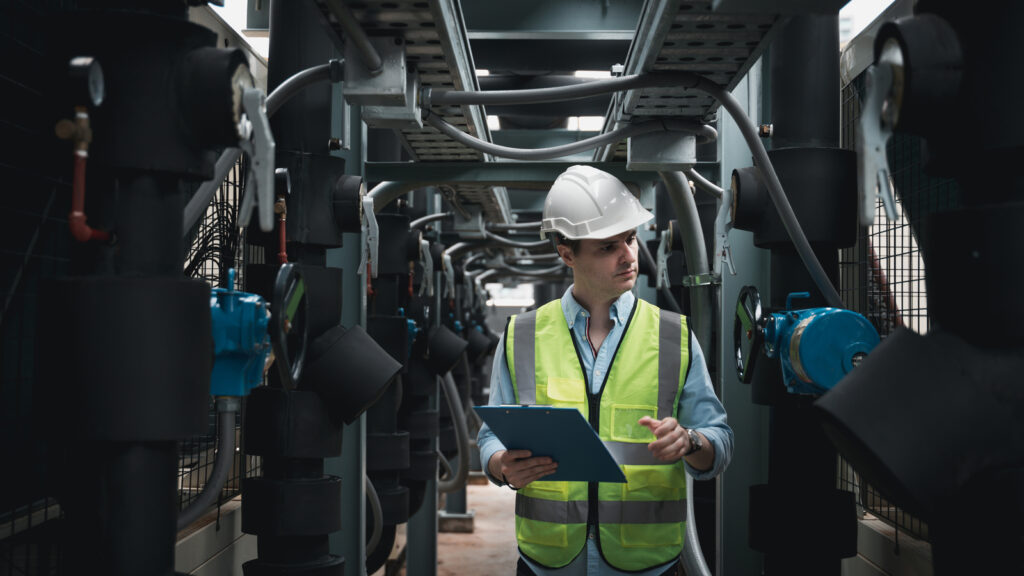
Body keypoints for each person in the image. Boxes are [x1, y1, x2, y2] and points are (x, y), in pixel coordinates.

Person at [477, 165, 734, 576]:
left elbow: (719, 444)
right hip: (548, 562)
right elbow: (492, 437)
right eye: (608, 246)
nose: (630, 255)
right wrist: (501, 465)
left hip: (648, 564)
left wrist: (688, 440)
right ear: (567, 254)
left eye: (630, 238)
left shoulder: (674, 336)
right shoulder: (521, 335)